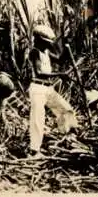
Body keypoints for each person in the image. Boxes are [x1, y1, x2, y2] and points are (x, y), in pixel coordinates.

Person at [26, 24, 79, 158]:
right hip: (38, 88)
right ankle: (34, 151)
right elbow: (39, 73)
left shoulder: (46, 52)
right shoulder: (35, 52)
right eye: (45, 42)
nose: (47, 45)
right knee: (38, 119)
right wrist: (60, 75)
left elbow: (60, 60)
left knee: (66, 109)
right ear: (38, 40)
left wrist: (67, 47)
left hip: (48, 89)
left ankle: (67, 136)